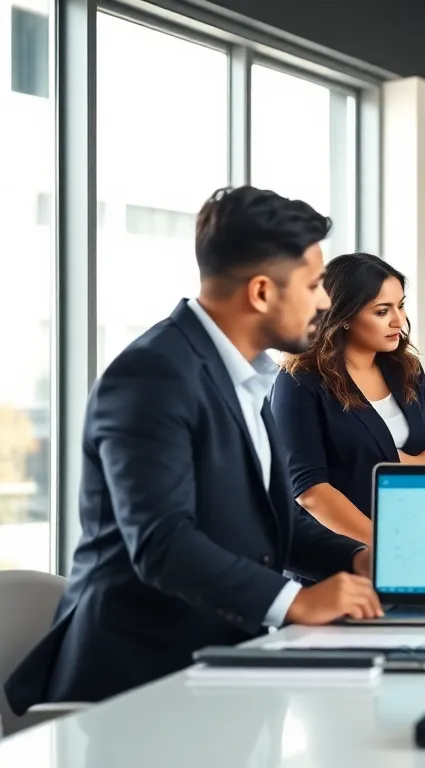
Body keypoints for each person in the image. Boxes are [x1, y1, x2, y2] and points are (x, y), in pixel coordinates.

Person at [4, 187, 383, 714]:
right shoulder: (153, 375)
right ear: (260, 292)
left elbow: (268, 524)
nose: (324, 301)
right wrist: (295, 602)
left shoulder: (247, 378)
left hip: (220, 668)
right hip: (135, 684)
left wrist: (361, 558)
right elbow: (163, 543)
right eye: (315, 284)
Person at [270, 252, 425, 545]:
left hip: (416, 540)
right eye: (382, 311)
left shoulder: (407, 368)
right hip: (341, 556)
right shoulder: (300, 379)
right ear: (343, 317)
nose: (399, 321)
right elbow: (310, 491)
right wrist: (384, 547)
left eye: (401, 306)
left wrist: (397, 464)